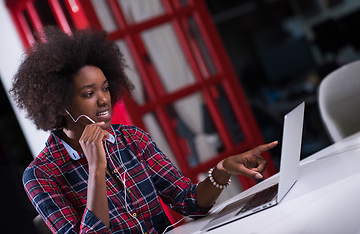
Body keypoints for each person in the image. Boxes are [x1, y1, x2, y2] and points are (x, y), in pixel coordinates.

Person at [10, 26, 277, 234]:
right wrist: (96, 169)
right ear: (58, 103)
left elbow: (188, 202)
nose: (104, 99)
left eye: (105, 87)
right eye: (89, 93)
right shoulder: (41, 175)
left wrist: (223, 169)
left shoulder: (132, 139)